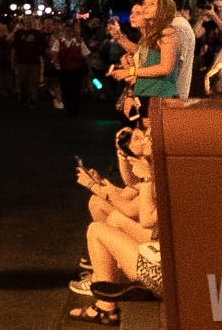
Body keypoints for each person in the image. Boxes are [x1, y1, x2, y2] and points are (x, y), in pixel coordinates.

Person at [66, 119, 162, 323]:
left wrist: (94, 186)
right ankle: (108, 276)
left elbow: (143, 217)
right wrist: (122, 155)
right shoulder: (164, 166)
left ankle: (105, 305)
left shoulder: (164, 172)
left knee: (97, 229)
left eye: (148, 136)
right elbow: (130, 187)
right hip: (169, 256)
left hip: (166, 271)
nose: (144, 138)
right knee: (108, 214)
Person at [51, 22, 89, 118]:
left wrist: (86, 68)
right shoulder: (59, 41)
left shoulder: (79, 41)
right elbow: (54, 53)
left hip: (77, 70)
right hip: (64, 70)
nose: (68, 33)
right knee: (66, 91)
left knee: (76, 91)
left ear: (73, 32)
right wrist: (56, 65)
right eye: (66, 31)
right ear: (64, 32)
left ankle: (75, 111)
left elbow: (86, 55)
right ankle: (68, 110)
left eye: (70, 31)